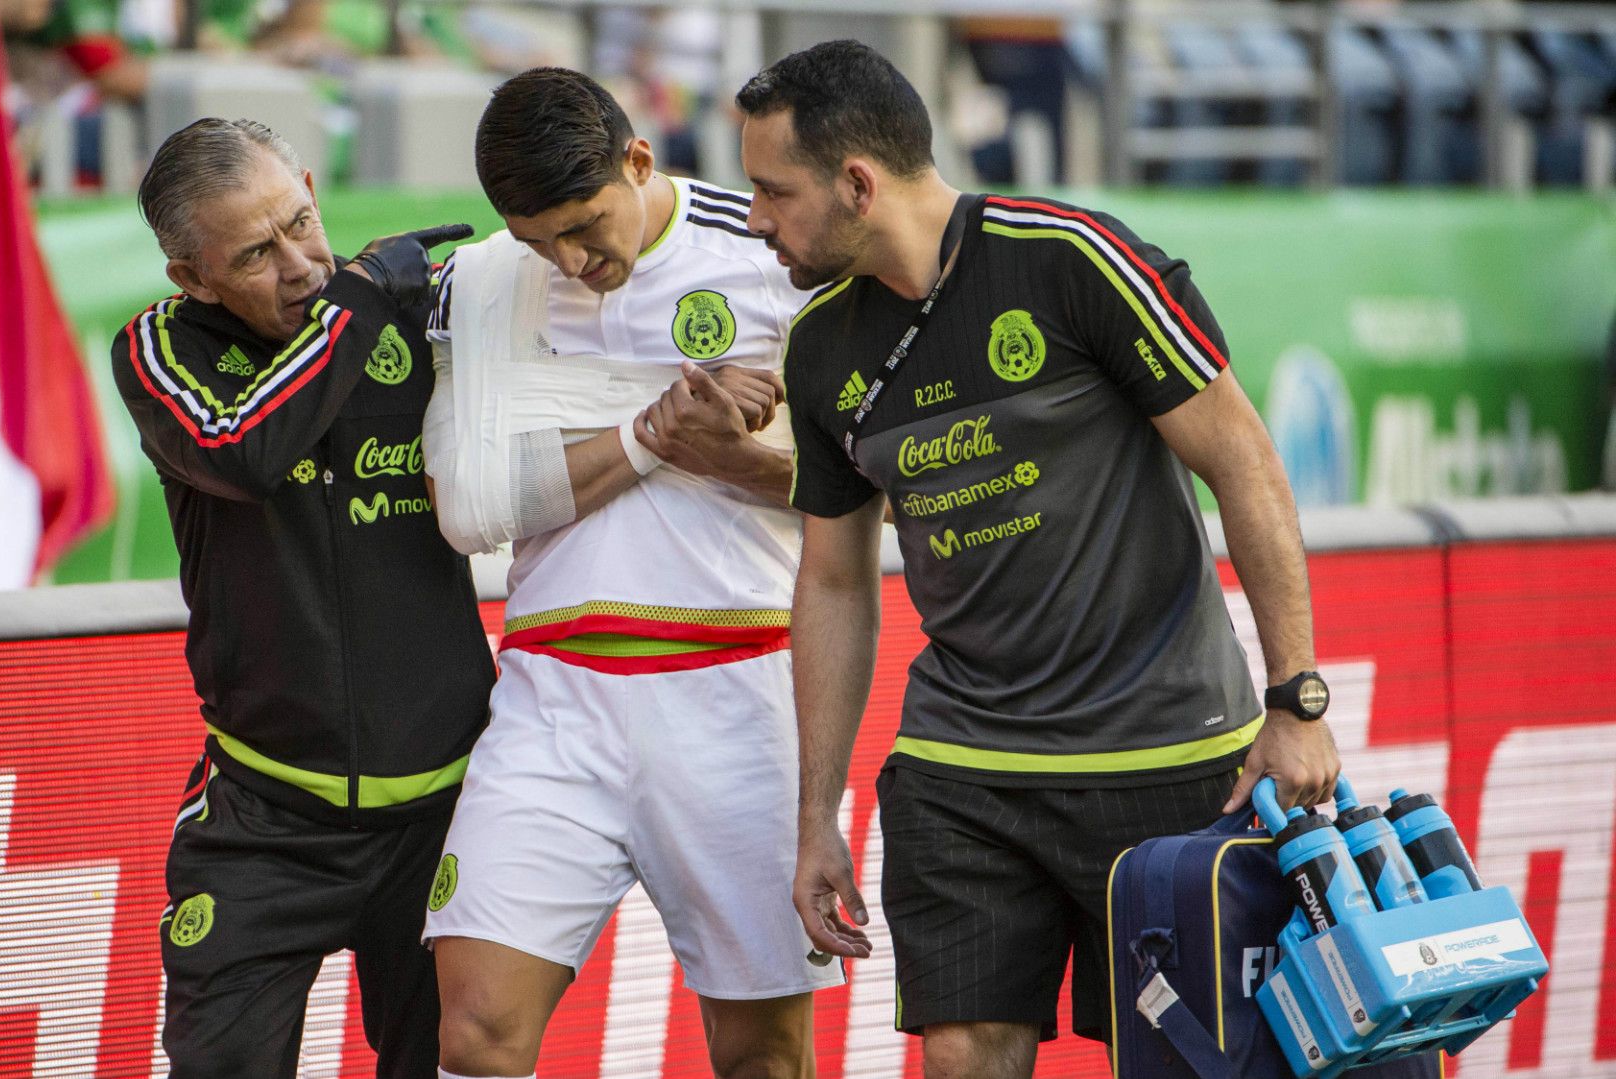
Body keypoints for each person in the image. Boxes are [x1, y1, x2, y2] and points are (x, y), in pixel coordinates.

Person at [735, 41, 1341, 1079]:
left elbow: (1244, 464)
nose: (755, 218)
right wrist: (816, 814)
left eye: (770, 189)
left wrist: (1296, 699)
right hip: (962, 772)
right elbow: (834, 580)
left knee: (1181, 1061)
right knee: (964, 1055)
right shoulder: (821, 346)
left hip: (1169, 763)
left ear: (857, 182)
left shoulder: (1071, 259)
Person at [419, 67, 839, 1079]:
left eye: (583, 224)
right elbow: (467, 509)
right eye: (537, 239)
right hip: (553, 697)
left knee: (764, 1056)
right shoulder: (482, 281)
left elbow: (868, 486)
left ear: (638, 160)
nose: (569, 257)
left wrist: (736, 454)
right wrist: (656, 429)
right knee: (475, 1036)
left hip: (740, 689)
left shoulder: (772, 250)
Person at [110, 117, 492, 1078]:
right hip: (264, 828)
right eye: (254, 254)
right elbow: (243, 450)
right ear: (190, 278)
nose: (300, 266)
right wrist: (357, 304)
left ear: (315, 188)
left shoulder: (408, 312)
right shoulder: (162, 347)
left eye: (301, 222)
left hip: (448, 817)